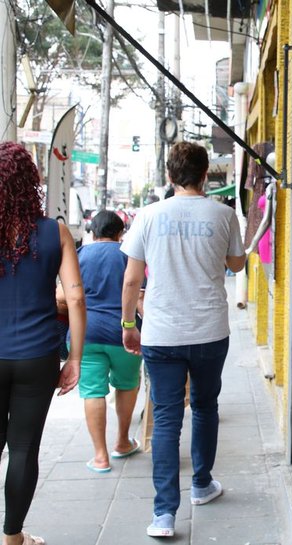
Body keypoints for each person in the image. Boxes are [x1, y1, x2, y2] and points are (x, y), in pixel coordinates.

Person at [120, 141, 245, 538]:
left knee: (167, 418)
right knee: (206, 406)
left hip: (162, 332)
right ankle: (202, 483)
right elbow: (237, 263)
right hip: (210, 330)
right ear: (206, 174)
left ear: (170, 175)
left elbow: (131, 278)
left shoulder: (149, 215)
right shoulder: (223, 214)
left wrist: (127, 324)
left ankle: (163, 515)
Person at [0, 141, 86, 545]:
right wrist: (74, 357)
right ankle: (12, 537)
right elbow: (75, 298)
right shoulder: (55, 232)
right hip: (37, 356)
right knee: (23, 449)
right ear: (30, 183)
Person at [57, 211, 142, 474]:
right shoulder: (129, 255)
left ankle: (100, 456)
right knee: (127, 384)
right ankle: (122, 442)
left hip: (86, 334)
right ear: (120, 233)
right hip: (124, 333)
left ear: (93, 232)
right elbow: (139, 296)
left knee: (93, 391)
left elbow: (62, 297)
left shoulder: (80, 254)